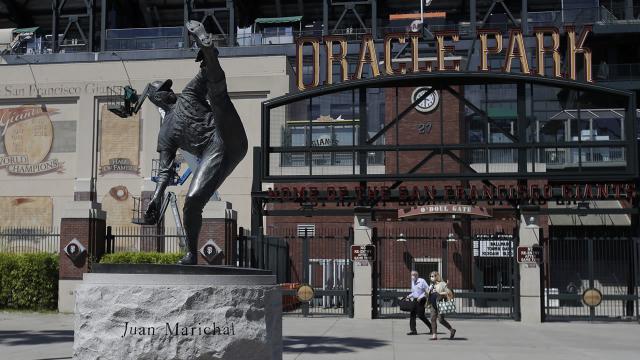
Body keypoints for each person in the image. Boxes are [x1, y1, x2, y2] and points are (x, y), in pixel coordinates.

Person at [141, 20, 248, 265]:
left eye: (168, 88)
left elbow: (208, 73)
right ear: (157, 99)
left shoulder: (188, 93)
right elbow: (165, 171)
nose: (169, 91)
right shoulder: (165, 134)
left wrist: (207, 50)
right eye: (164, 90)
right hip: (214, 154)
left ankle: (207, 45)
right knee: (191, 204)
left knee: (217, 93)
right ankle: (191, 253)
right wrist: (156, 199)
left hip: (227, 134)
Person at [427, 271, 456, 340]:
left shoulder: (443, 284)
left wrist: (440, 293)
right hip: (433, 304)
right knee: (432, 319)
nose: (431, 278)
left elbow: (448, 292)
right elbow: (429, 294)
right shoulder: (431, 285)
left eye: (433, 276)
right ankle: (434, 335)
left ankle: (451, 330)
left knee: (440, 320)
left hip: (440, 304)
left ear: (437, 276)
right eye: (430, 276)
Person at [406, 270, 432, 335]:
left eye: (414, 275)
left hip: (421, 300)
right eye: (412, 275)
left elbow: (427, 290)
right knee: (412, 314)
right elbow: (414, 292)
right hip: (415, 300)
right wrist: (408, 296)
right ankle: (413, 330)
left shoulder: (422, 281)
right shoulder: (412, 281)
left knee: (421, 315)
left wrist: (420, 297)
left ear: (417, 275)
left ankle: (432, 327)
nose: (413, 276)